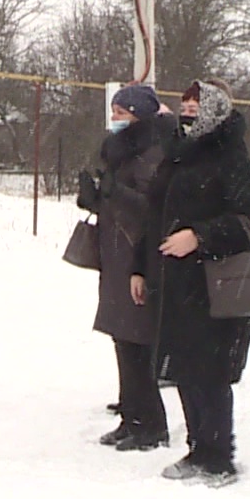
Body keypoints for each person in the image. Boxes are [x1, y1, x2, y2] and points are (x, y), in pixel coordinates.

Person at [136, 79, 250, 485]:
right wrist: (139, 268)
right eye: (185, 102)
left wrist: (201, 236)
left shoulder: (234, 162)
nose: (189, 110)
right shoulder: (176, 157)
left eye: (198, 104)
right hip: (173, 282)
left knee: (210, 372)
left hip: (216, 281)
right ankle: (197, 447)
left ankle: (218, 456)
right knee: (185, 370)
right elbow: (152, 217)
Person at [77, 84, 175, 451]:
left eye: (122, 112)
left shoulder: (152, 152)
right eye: (114, 111)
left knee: (139, 344)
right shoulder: (120, 151)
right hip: (116, 256)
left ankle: (151, 424)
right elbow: (115, 200)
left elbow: (153, 208)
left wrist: (114, 191)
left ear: (139, 115)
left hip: (138, 258)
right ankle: (131, 417)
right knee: (123, 340)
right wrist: (94, 196)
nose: (115, 119)